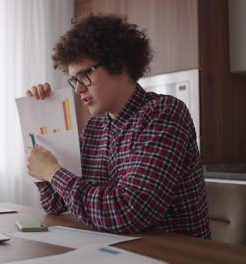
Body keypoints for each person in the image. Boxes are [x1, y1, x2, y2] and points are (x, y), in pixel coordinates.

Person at [24, 14, 211, 239]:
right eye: (74, 80)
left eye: (84, 75)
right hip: (116, 250)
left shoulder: (164, 113)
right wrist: (43, 119)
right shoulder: (95, 127)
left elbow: (128, 213)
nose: (78, 89)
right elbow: (55, 203)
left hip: (175, 255)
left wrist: (52, 172)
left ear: (119, 66)